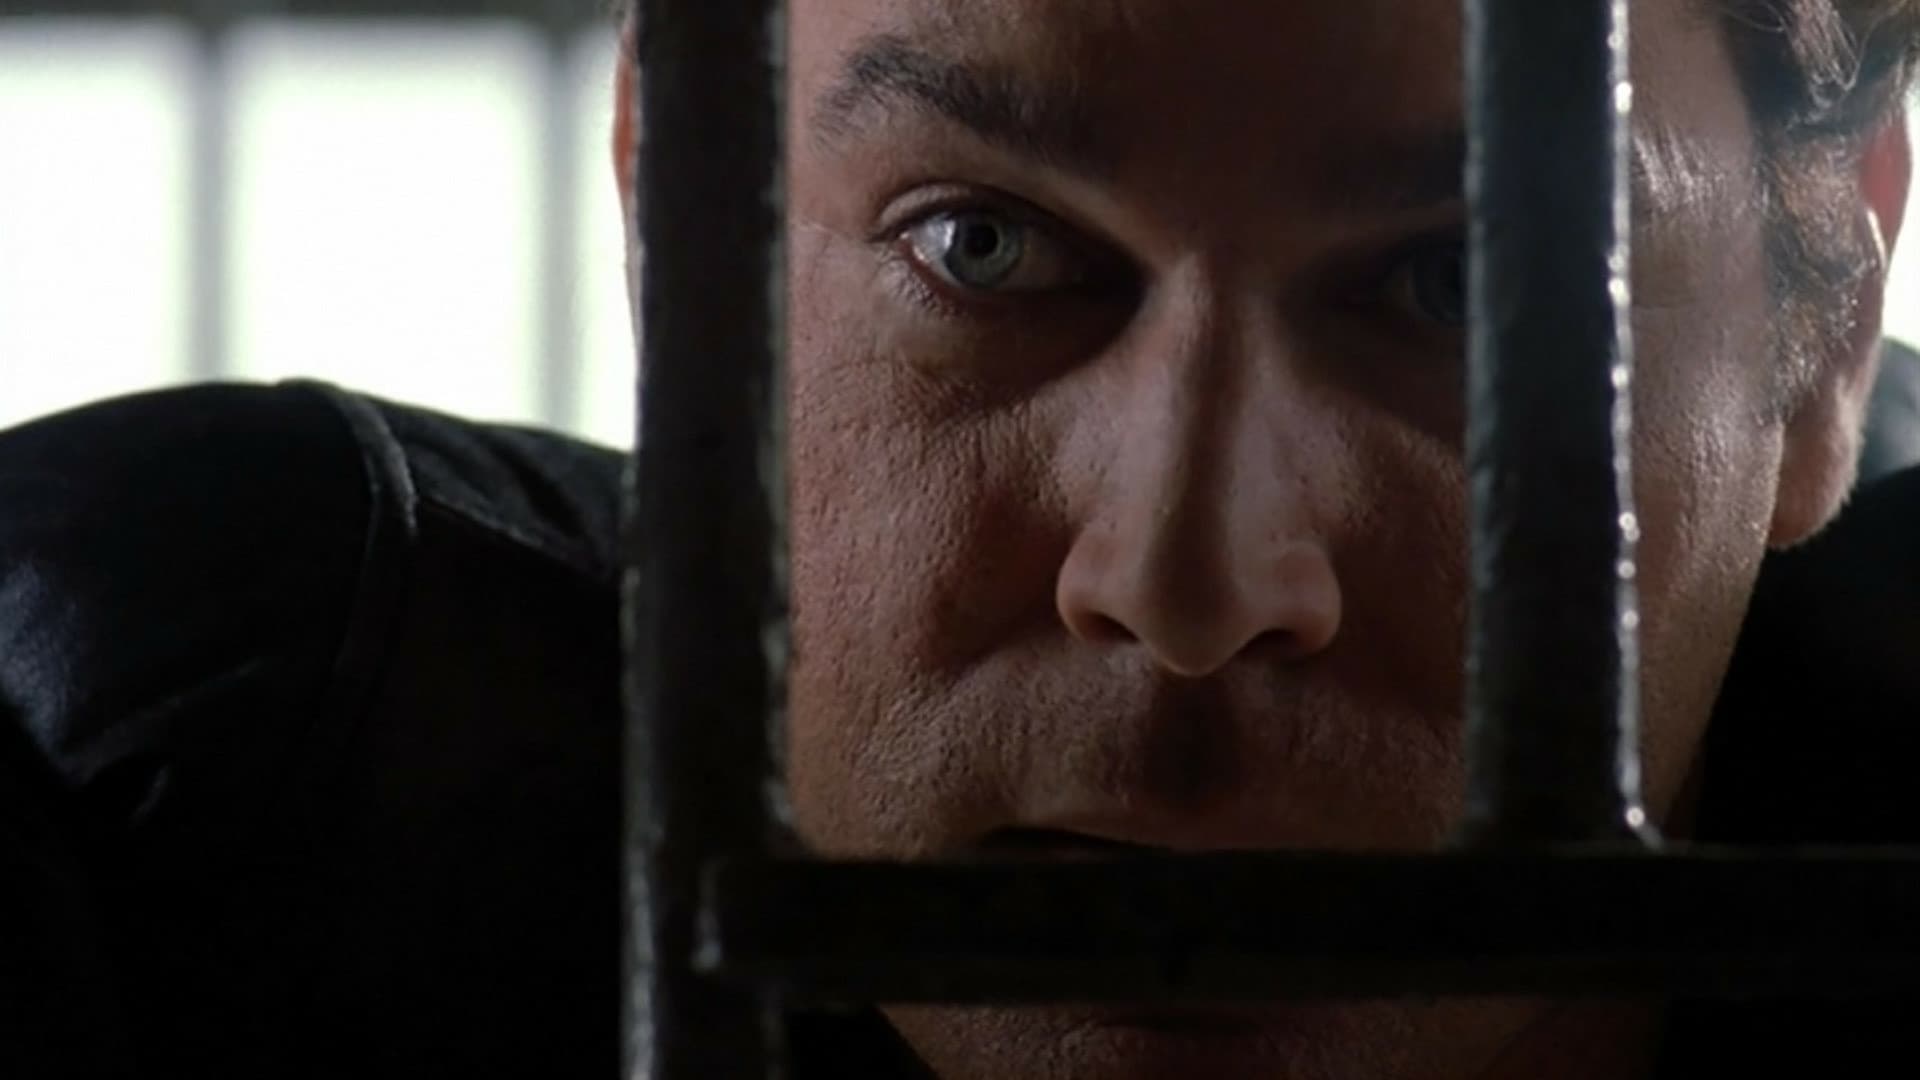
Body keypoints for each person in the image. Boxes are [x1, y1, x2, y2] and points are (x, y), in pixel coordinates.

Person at [5, 1, 1920, 1076]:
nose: (1183, 588)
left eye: (1458, 290)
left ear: (1828, 329)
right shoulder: (219, 814)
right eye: (980, 246)